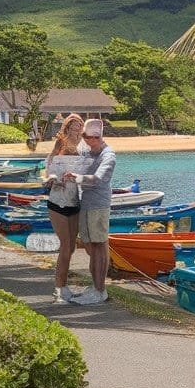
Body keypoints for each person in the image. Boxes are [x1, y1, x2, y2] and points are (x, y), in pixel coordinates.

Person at [63, 118, 115, 305]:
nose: (84, 139)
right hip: (85, 203)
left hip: (99, 205)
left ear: (97, 136)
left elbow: (99, 179)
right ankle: (95, 286)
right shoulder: (86, 148)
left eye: (87, 136)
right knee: (89, 245)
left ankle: (100, 290)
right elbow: (73, 156)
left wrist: (77, 178)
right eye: (83, 135)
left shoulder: (108, 155)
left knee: (99, 244)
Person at [43, 114, 84, 304]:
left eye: (79, 126)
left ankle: (64, 286)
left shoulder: (83, 147)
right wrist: (53, 178)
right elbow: (49, 166)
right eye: (73, 126)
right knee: (65, 245)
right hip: (57, 201)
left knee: (72, 246)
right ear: (66, 128)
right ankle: (59, 288)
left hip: (74, 202)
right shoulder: (60, 143)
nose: (76, 129)